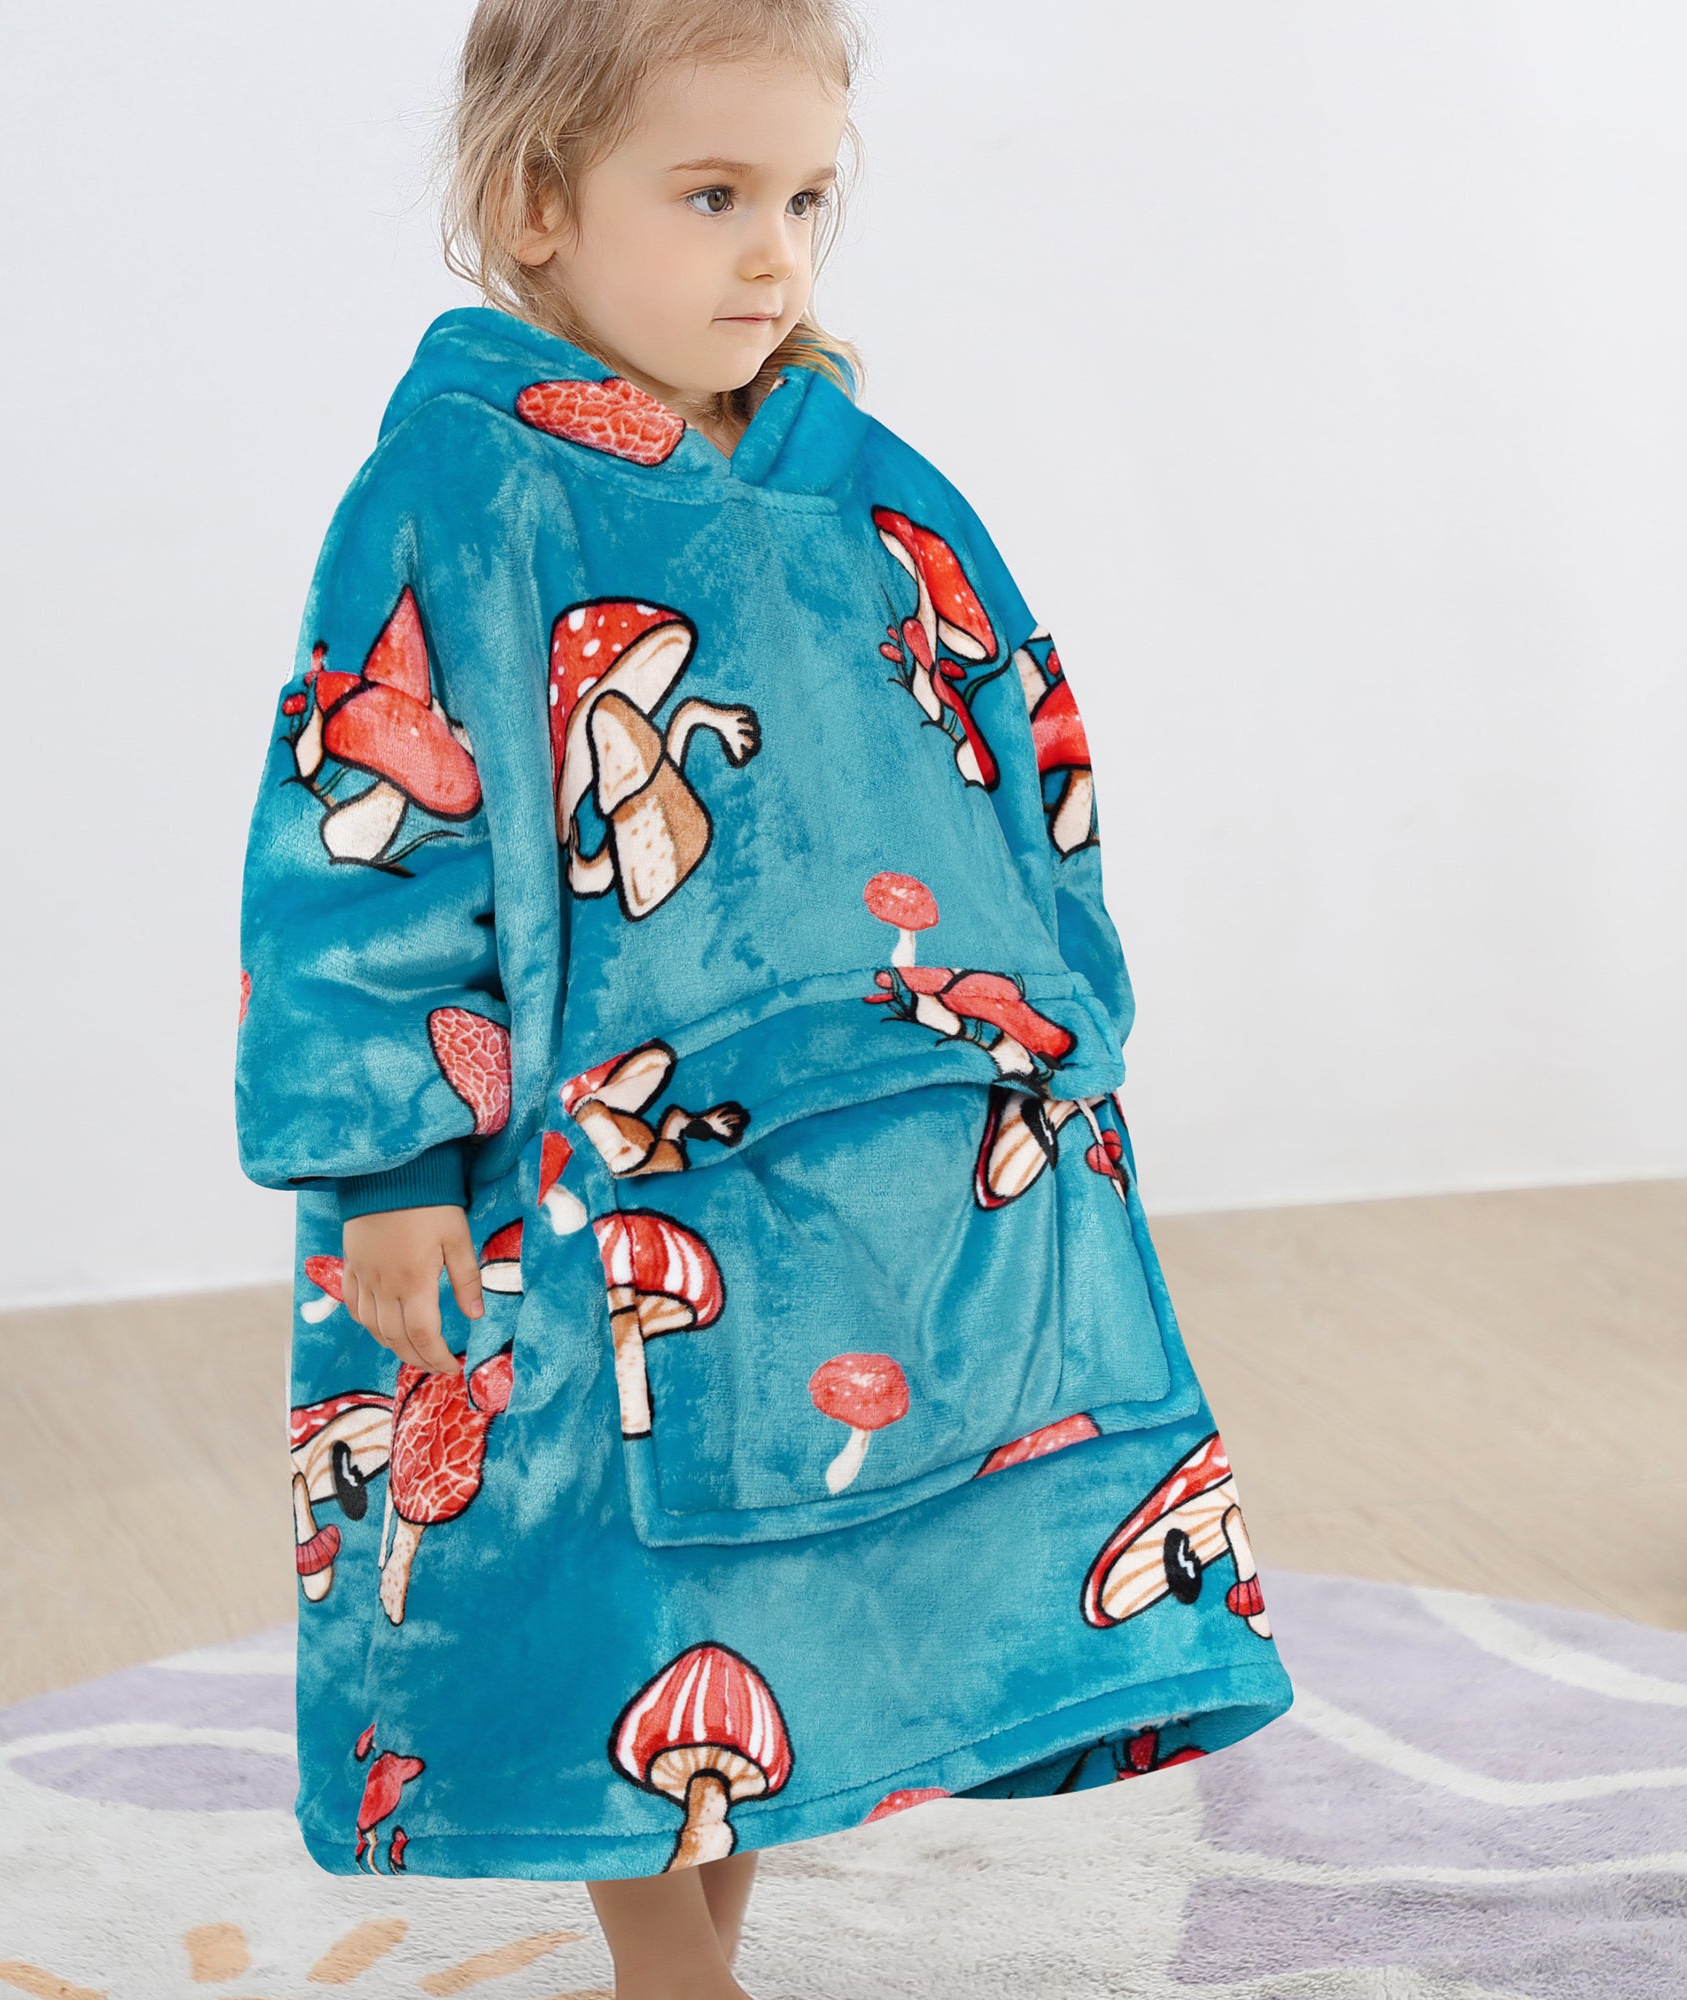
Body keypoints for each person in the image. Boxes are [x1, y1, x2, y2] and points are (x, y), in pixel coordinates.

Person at [235, 2, 1296, 1993]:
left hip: (893, 1135)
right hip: (576, 1179)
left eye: (806, 200)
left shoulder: (865, 481)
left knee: (795, 1584)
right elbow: (367, 831)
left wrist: (1062, 1014)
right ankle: (672, 1973)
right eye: (713, 196)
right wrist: (384, 1159)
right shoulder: (462, 490)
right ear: (538, 204)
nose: (775, 256)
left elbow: (1024, 745)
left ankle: (702, 1956)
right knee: (603, 1577)